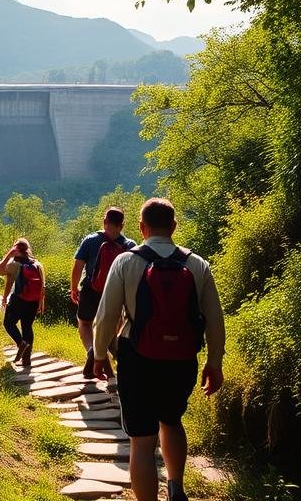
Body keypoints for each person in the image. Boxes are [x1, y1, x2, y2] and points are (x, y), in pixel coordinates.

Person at [92, 198, 225, 501]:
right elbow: (215, 320)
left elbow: (106, 315)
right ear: (174, 227)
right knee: (172, 420)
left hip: (136, 356)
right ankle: (176, 487)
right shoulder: (197, 264)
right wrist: (214, 362)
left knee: (141, 441)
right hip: (181, 359)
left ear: (141, 227)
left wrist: (99, 354)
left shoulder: (126, 262)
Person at [72, 207, 136, 379]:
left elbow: (78, 266)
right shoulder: (130, 245)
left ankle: (92, 351)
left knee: (84, 323)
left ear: (104, 222)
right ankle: (105, 357)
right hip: (117, 292)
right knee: (112, 327)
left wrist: (73, 287)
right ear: (121, 225)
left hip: (91, 289)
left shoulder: (91, 240)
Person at [0, 238, 46, 367]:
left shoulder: (14, 264)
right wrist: (41, 304)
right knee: (27, 327)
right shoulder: (37, 264)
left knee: (8, 323)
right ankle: (26, 360)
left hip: (18, 299)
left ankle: (20, 344)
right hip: (33, 301)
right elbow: (42, 287)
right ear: (28, 249)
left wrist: (8, 256)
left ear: (15, 249)